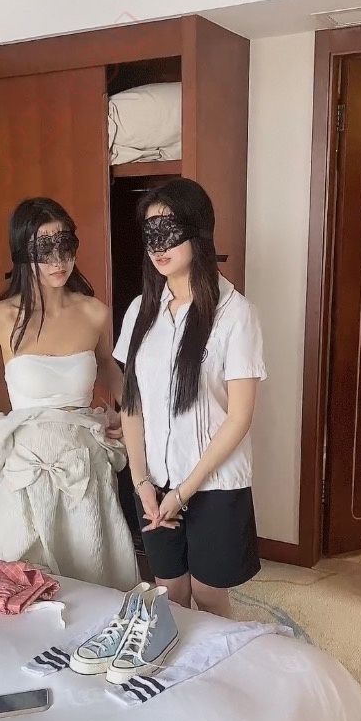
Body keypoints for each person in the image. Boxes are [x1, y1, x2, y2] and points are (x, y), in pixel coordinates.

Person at [0, 197, 138, 590]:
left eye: (65, 246)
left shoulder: (94, 312)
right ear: (24, 253)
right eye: (45, 250)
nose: (59, 261)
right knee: (17, 568)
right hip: (29, 457)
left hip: (82, 456)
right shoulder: (2, 318)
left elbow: (107, 366)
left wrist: (131, 415)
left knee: (90, 565)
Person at [114, 179, 266, 617]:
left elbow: (239, 417)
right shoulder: (140, 310)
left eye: (170, 230)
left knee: (208, 595)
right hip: (154, 480)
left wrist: (183, 492)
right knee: (170, 590)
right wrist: (141, 481)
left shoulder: (236, 314)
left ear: (198, 232)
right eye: (150, 232)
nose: (158, 245)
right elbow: (133, 403)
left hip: (213, 483)